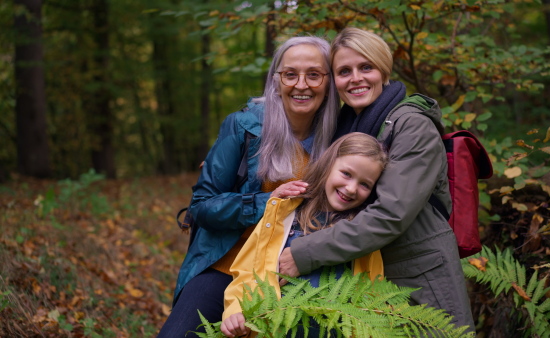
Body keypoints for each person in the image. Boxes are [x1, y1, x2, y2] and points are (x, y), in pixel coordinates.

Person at [279, 27, 476, 331]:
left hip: (419, 279)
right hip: (368, 278)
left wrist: (306, 253)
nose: (356, 78)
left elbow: (391, 214)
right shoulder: (344, 126)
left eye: (366, 67)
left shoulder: (412, 126)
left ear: (383, 71)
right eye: (344, 71)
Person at [157, 36, 339, 337]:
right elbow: (201, 206)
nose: (302, 84)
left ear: (329, 82)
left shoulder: (340, 136)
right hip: (227, 262)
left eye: (314, 74)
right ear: (275, 80)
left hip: (292, 272)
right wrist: (266, 202)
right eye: (290, 74)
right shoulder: (243, 127)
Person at [220, 132, 387, 338]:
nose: (351, 188)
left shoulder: (362, 232)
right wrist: (236, 311)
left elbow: (373, 297)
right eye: (346, 173)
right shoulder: (285, 213)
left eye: (365, 184)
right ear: (328, 165)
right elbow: (248, 271)